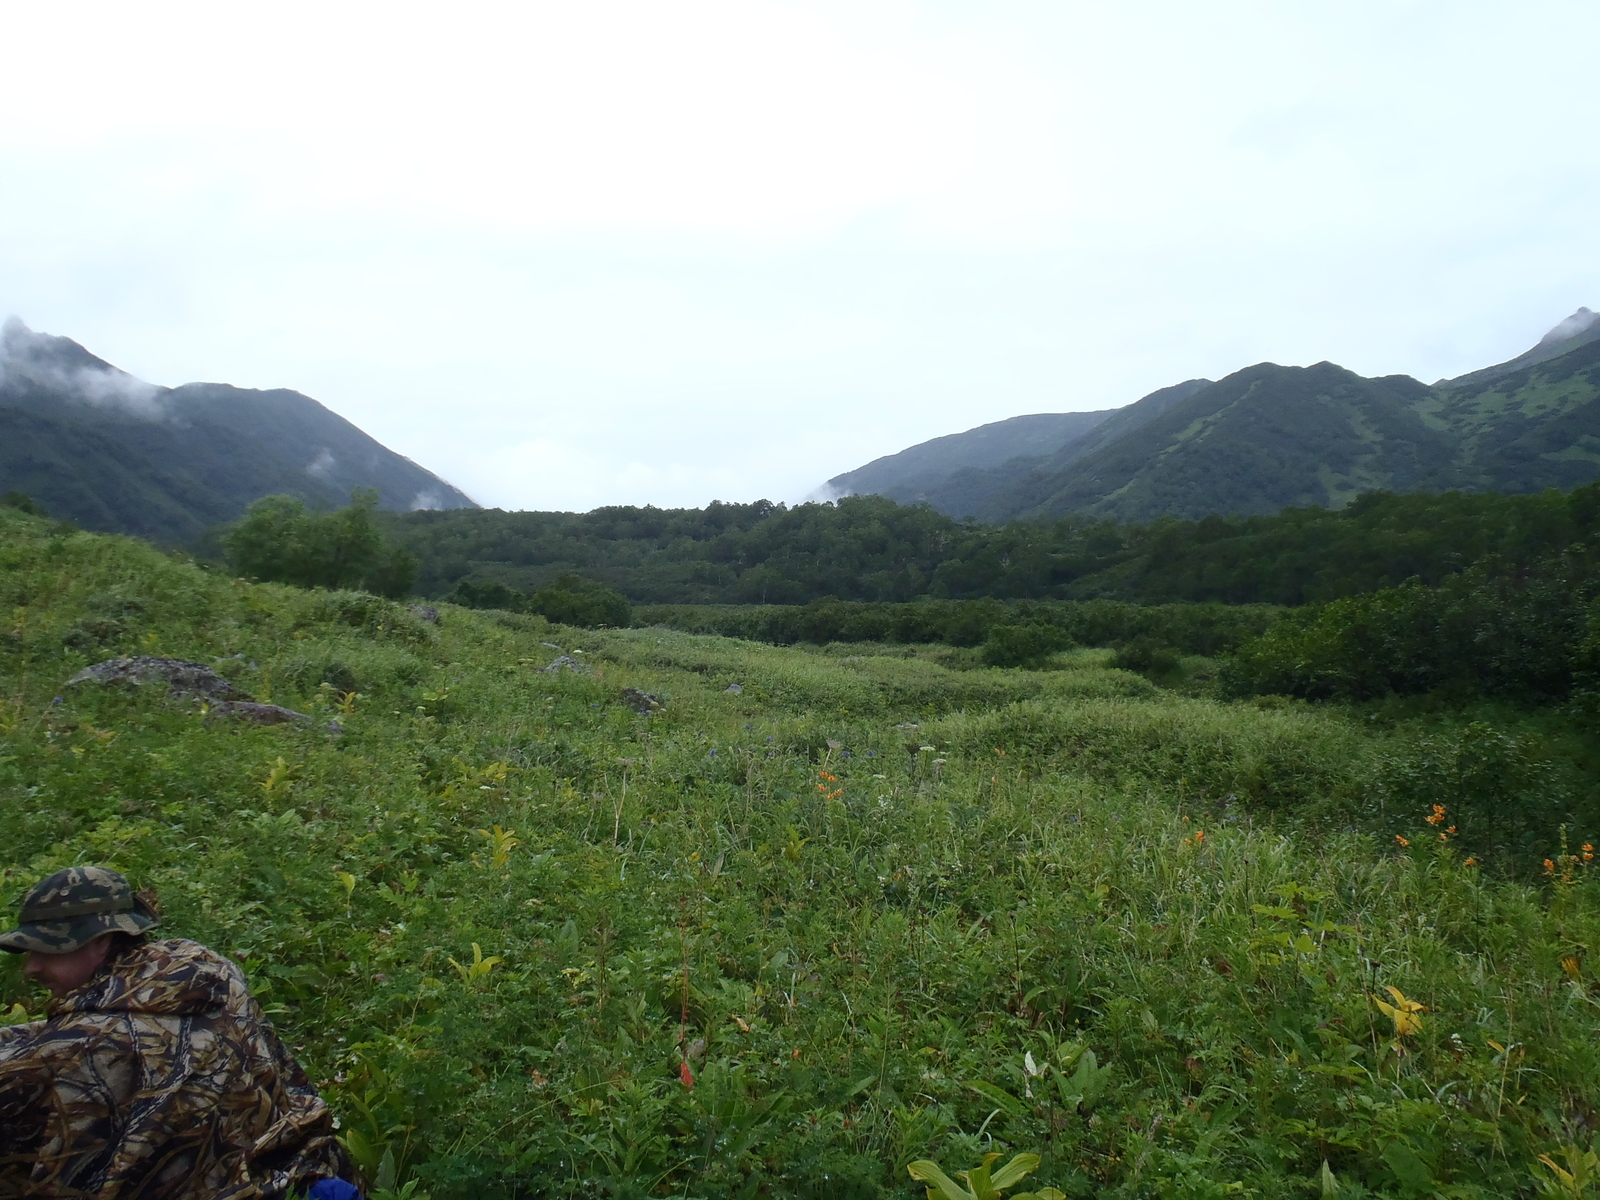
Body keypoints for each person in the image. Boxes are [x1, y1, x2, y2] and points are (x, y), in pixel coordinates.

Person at [0, 866, 362, 1199]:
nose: (32, 966)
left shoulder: (90, 1044)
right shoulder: (209, 974)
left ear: (102, 941)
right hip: (302, 1178)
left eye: (48, 948)